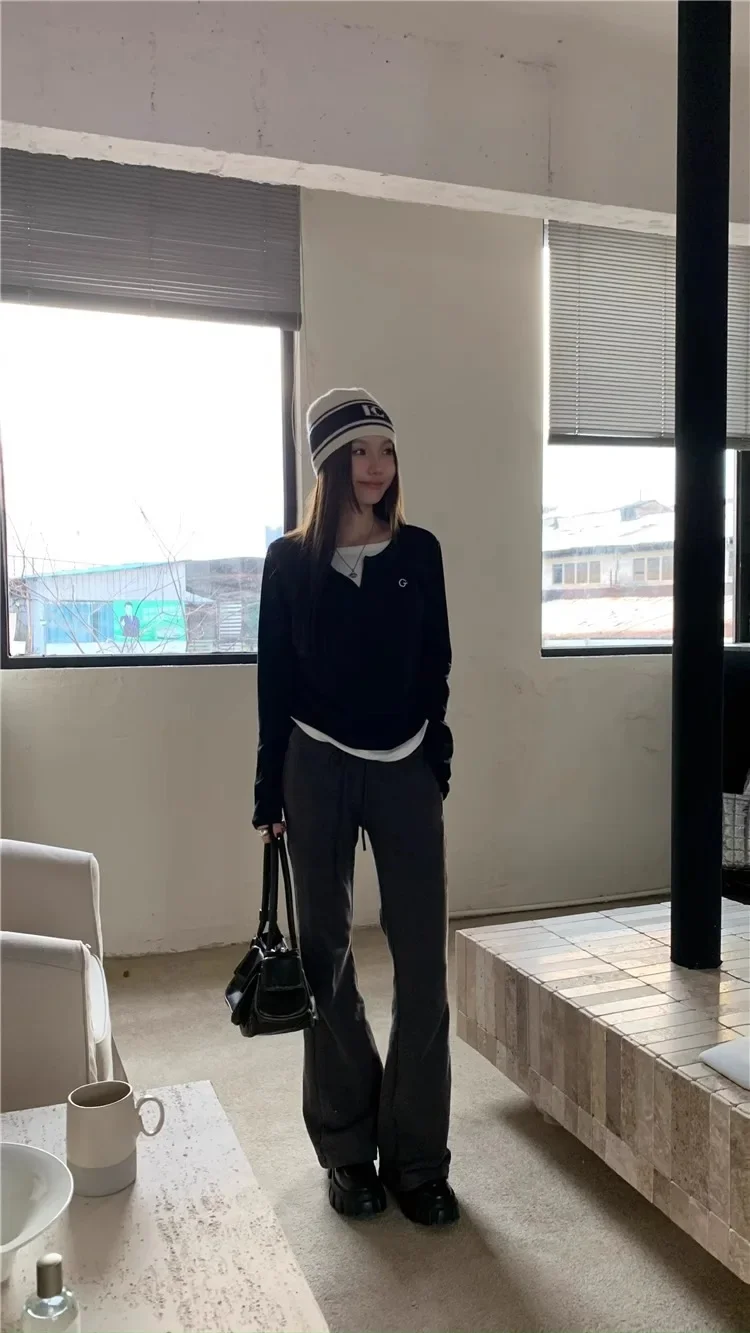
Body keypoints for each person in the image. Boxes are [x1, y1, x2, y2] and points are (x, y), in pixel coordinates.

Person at [253, 388, 457, 1227]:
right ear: (329, 465)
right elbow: (273, 679)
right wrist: (269, 788)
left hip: (405, 763)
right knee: (325, 957)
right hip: (315, 760)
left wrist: (435, 752)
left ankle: (418, 1159)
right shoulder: (288, 562)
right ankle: (347, 1148)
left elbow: (436, 661)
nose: (377, 466)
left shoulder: (420, 551)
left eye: (387, 450)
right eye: (360, 451)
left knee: (424, 964)